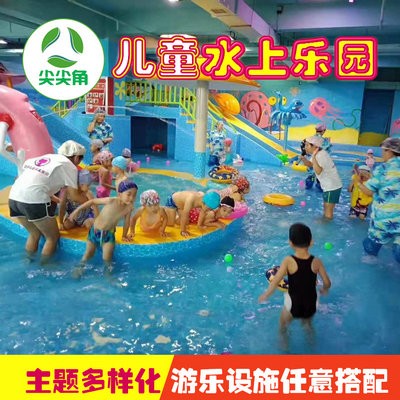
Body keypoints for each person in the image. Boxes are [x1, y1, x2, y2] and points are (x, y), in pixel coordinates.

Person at [8, 140, 85, 260]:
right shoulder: (69, 166)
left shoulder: (47, 157)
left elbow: (35, 182)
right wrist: (91, 203)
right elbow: (74, 196)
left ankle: (28, 261)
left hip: (14, 198)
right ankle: (46, 266)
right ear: (76, 157)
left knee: (34, 233)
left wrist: (54, 198)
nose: (80, 161)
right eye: (81, 158)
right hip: (33, 201)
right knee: (52, 237)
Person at [258, 223, 331, 336]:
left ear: (290, 243)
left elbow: (276, 281)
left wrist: (266, 294)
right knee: (308, 325)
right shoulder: (317, 262)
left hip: (294, 302)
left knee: (283, 325)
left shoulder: (288, 261)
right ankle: (311, 343)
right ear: (311, 242)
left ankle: (284, 345)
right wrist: (325, 290)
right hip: (311, 302)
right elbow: (327, 282)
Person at [69, 180, 138, 270]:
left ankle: (108, 275)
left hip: (108, 235)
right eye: (129, 194)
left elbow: (126, 222)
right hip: (95, 231)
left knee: (107, 259)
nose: (131, 198)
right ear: (120, 194)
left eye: (134, 195)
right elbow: (92, 201)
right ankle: (79, 269)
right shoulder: (111, 201)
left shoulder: (129, 208)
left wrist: (124, 235)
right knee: (88, 254)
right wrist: (76, 211)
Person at [355, 137, 400, 263]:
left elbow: (369, 191)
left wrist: (358, 183)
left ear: (390, 151)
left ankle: (370, 260)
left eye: (383, 151)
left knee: (371, 244)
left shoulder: (383, 169)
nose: (382, 154)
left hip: (385, 218)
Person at [300, 135, 342, 219]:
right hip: (330, 186)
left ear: (315, 146)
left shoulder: (321, 155)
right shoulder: (317, 153)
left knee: (328, 213)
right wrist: (304, 159)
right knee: (326, 208)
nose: (305, 147)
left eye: (307, 145)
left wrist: (314, 157)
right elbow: (310, 165)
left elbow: (318, 171)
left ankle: (326, 225)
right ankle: (325, 222)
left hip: (332, 187)